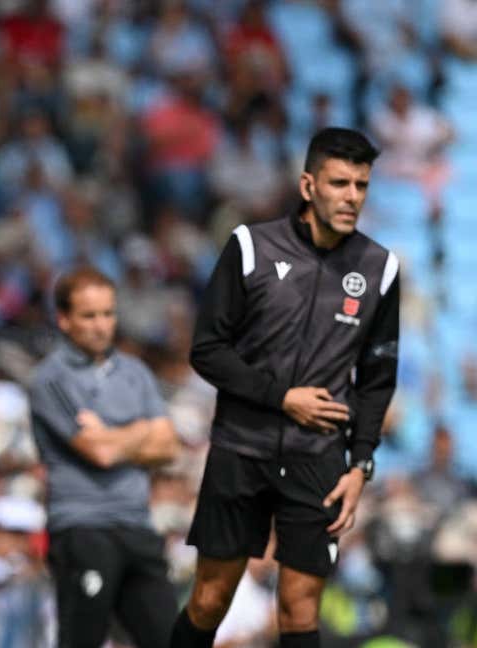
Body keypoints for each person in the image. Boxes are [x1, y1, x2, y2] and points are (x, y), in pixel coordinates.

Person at [170, 127, 401, 648]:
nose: (352, 197)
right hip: (240, 447)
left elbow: (378, 379)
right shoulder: (250, 247)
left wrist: (361, 465)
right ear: (307, 185)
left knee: (300, 611)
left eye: (361, 186)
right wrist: (282, 396)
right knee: (209, 600)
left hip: (317, 459)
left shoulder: (380, 269)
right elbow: (206, 350)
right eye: (339, 183)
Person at [28, 267, 180, 648]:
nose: (101, 326)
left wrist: (112, 434)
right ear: (64, 320)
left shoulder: (136, 372)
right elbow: (99, 452)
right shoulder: (51, 378)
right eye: (89, 315)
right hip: (82, 526)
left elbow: (169, 446)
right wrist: (143, 429)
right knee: (82, 640)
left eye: (108, 314)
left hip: (137, 524)